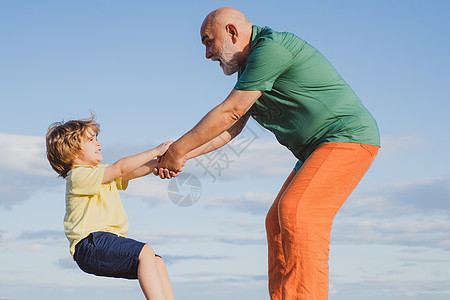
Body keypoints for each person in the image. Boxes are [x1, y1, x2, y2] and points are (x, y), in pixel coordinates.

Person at [155, 7, 381, 300]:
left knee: (298, 211)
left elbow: (231, 112)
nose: (207, 54)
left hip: (347, 137)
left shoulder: (271, 48)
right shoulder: (250, 69)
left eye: (208, 41)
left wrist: (179, 149)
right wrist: (179, 155)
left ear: (233, 33)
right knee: (275, 220)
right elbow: (230, 130)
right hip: (316, 149)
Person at [46, 115, 175, 300]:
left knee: (156, 261)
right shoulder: (77, 176)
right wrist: (155, 150)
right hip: (89, 244)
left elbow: (133, 171)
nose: (98, 143)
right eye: (91, 140)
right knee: (145, 251)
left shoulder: (101, 174)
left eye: (96, 139)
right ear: (72, 153)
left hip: (104, 243)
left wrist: (163, 162)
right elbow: (121, 168)